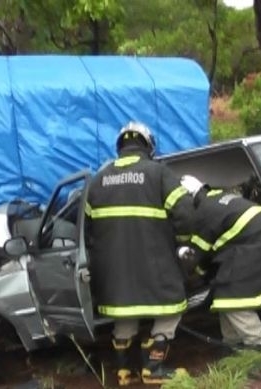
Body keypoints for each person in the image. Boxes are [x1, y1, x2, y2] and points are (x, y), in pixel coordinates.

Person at [85, 121, 192, 386]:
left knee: (124, 316)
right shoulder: (158, 173)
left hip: (113, 274)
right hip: (155, 268)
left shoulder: (98, 180)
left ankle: (124, 373)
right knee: (170, 311)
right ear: (148, 146)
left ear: (120, 147)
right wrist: (184, 242)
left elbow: (86, 230)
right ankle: (153, 369)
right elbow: (185, 213)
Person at [178, 174, 261, 349]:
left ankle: (259, 344)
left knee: (233, 297)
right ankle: (232, 344)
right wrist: (205, 273)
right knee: (224, 295)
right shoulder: (217, 198)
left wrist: (184, 275)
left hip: (257, 247)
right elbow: (212, 250)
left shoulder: (204, 212)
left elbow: (196, 253)